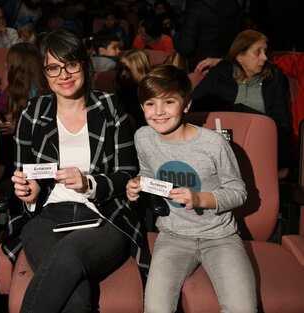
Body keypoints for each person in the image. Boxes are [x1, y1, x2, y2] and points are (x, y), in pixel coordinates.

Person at [4, 29, 149, 312]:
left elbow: (126, 173)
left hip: (105, 215)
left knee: (68, 255)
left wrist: (89, 184)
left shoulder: (109, 107)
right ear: (44, 73)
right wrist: (29, 193)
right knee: (76, 297)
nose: (64, 74)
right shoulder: (33, 113)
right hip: (47, 215)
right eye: (53, 67)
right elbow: (25, 176)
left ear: (83, 63)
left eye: (71, 63)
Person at [126, 64, 257, 313]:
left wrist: (200, 198)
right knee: (155, 308)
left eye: (169, 102)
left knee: (243, 308)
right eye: (150, 104)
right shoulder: (143, 137)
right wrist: (137, 185)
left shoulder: (213, 143)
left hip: (220, 237)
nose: (159, 112)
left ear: (186, 104)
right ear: (142, 107)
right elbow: (148, 172)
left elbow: (238, 191)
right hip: (173, 236)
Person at [191, 30, 292, 179]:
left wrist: (282, 162)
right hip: (222, 147)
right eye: (257, 52)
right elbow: (195, 108)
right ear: (240, 56)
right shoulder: (219, 75)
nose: (264, 58)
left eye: (265, 51)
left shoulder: (274, 78)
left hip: (258, 148)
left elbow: (282, 122)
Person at [0, 42, 44, 181]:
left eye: (9, 63)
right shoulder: (12, 89)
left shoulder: (42, 93)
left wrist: (17, 129)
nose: (6, 66)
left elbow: (42, 129)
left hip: (37, 152)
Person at [173, 0, 242, 72]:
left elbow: (185, 47)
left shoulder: (197, 6)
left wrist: (176, 35)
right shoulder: (234, 4)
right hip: (226, 66)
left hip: (200, 69)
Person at [116, 49, 151, 130]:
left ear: (140, 70)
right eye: (121, 69)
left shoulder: (148, 93)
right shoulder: (123, 90)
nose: (123, 74)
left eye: (128, 70)